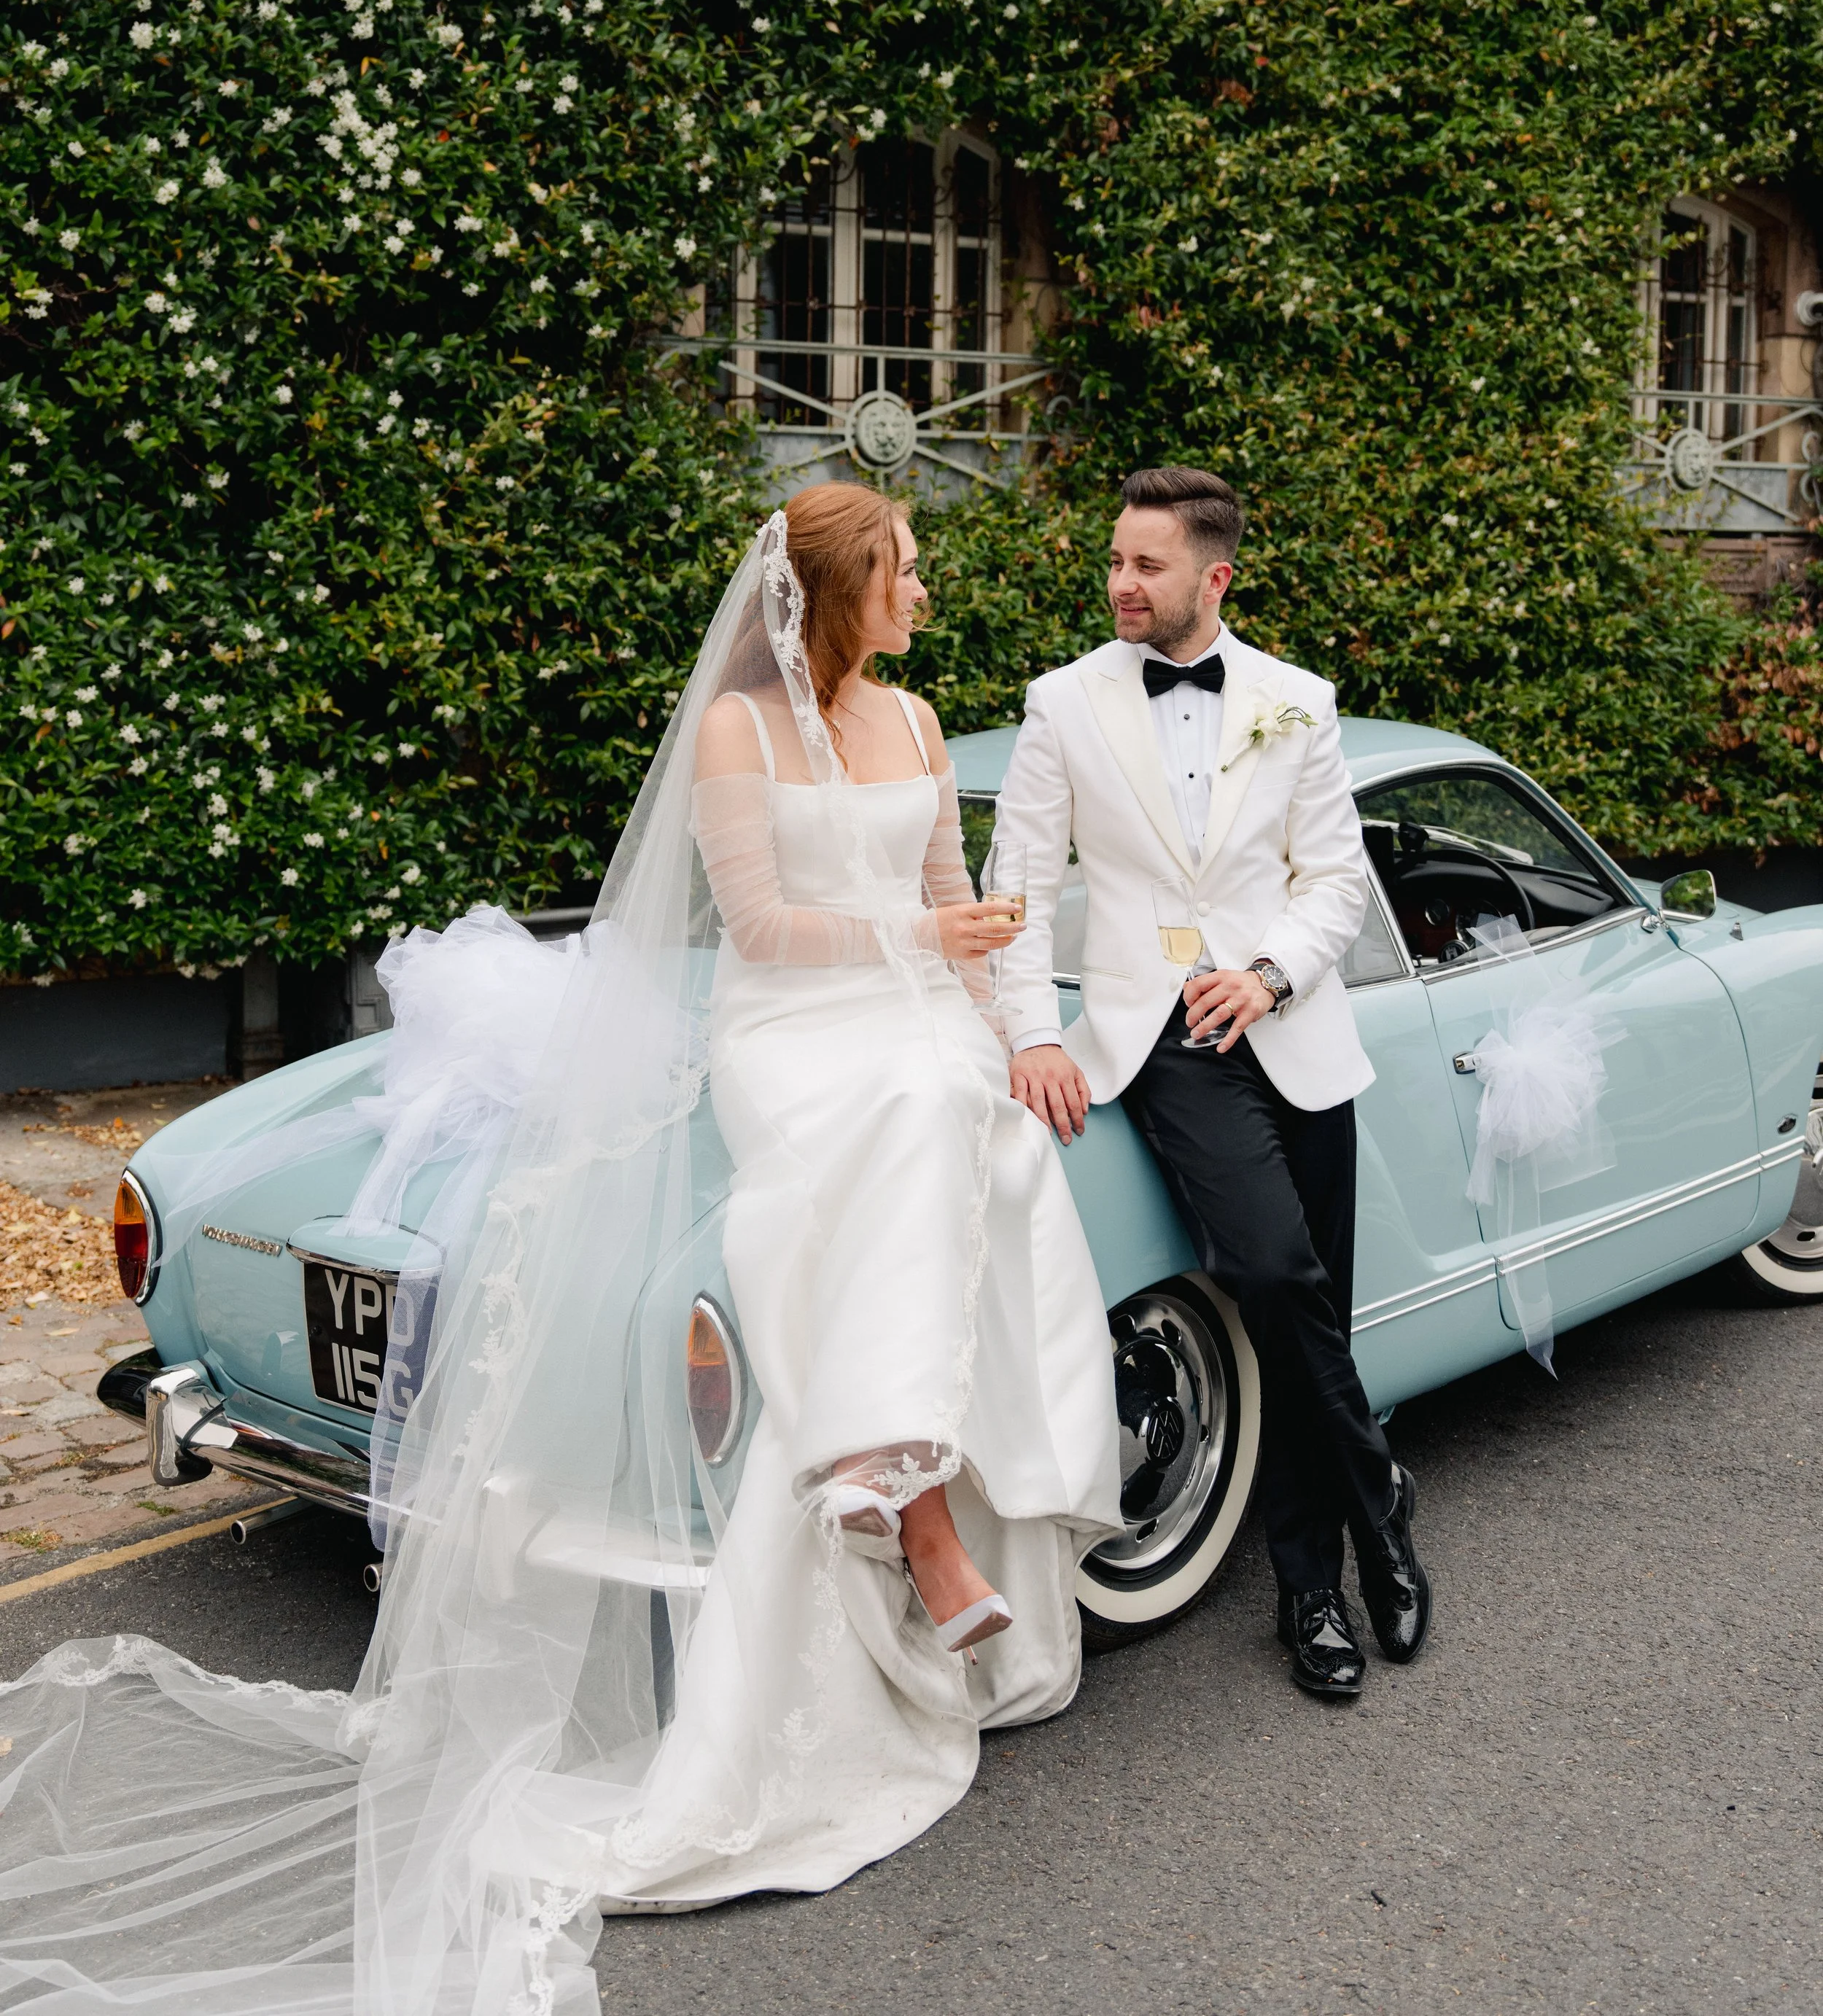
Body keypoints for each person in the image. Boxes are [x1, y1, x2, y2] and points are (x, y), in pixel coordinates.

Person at [0, 487, 1119, 2014]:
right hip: (791, 1028)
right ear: (839, 589)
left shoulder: (920, 724)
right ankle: (901, 1496)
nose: (927, 589)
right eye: (907, 569)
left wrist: (1009, 1017)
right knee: (919, 1105)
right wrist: (930, 956)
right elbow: (766, 929)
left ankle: (891, 1478)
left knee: (969, 1104)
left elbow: (946, 900)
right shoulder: (737, 732)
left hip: (911, 1011)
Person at [992, 464, 1431, 1700]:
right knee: (1274, 1274)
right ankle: (1377, 1493)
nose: (1121, 583)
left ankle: (1317, 1585)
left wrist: (1273, 974)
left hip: (1292, 1028)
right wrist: (1032, 1031)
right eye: (1117, 562)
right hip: (1162, 1040)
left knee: (1313, 1312)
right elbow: (1016, 885)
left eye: (1148, 565)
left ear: (1213, 576)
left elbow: (1337, 884)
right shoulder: (1063, 702)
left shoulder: (1298, 701)